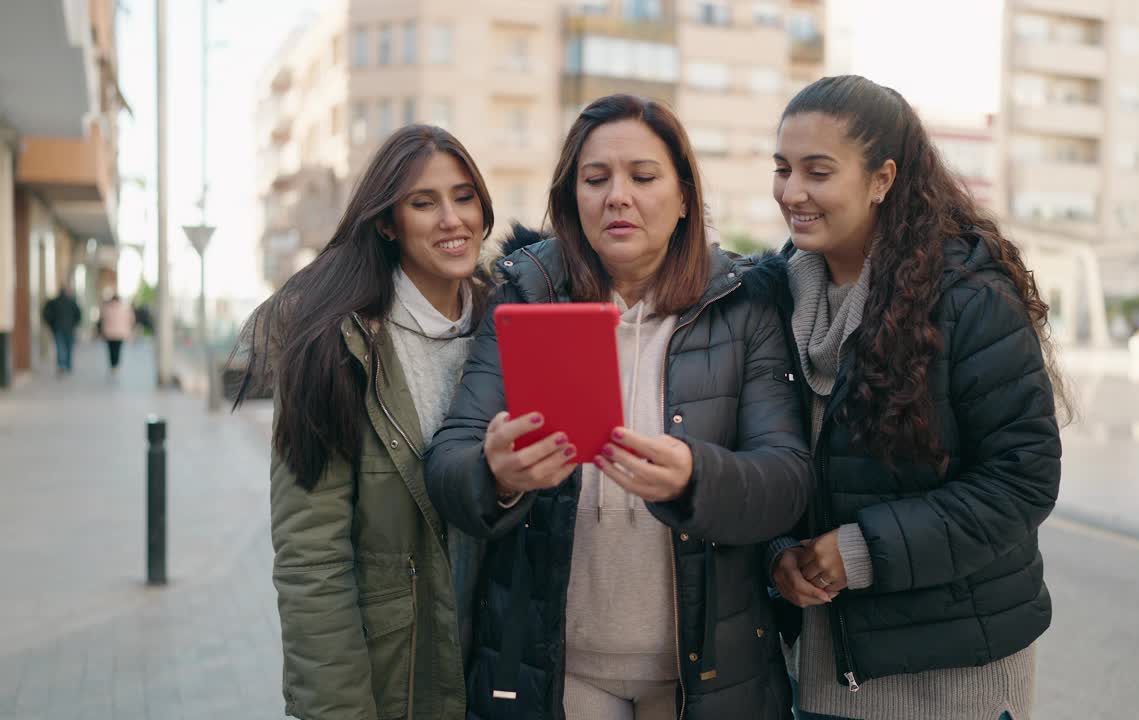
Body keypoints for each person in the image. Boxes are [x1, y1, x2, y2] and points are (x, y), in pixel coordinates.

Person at [424, 94, 811, 720]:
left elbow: (787, 477)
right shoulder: (526, 296)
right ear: (572, 198)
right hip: (558, 668)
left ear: (684, 196)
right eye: (596, 178)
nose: (617, 196)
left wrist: (695, 477)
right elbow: (448, 462)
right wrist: (492, 473)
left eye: (643, 176)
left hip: (707, 673)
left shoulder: (744, 306)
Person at [762, 75, 1068, 720]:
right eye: (783, 168)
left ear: (882, 179)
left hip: (954, 678)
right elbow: (771, 460)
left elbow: (1022, 481)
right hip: (818, 677)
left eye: (819, 172)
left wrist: (859, 552)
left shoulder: (968, 299)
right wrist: (777, 555)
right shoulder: (773, 298)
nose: (793, 193)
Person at [231, 124, 496, 720]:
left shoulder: (508, 324)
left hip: (496, 665)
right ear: (386, 223)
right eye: (423, 203)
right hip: (394, 675)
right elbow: (310, 557)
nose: (452, 219)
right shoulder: (335, 346)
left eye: (464, 196)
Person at [42, 287, 81, 376]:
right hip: (69, 329)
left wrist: (51, 324)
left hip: (58, 328)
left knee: (60, 347)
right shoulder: (71, 302)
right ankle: (67, 365)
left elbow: (46, 313)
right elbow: (78, 314)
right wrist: (74, 325)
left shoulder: (53, 302)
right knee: (68, 348)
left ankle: (61, 365)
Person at [99, 294, 136, 375]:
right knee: (118, 350)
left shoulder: (107, 308)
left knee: (111, 350)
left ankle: (112, 365)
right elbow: (131, 319)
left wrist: (102, 331)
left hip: (109, 332)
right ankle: (116, 366)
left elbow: (102, 319)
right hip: (120, 332)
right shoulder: (125, 308)